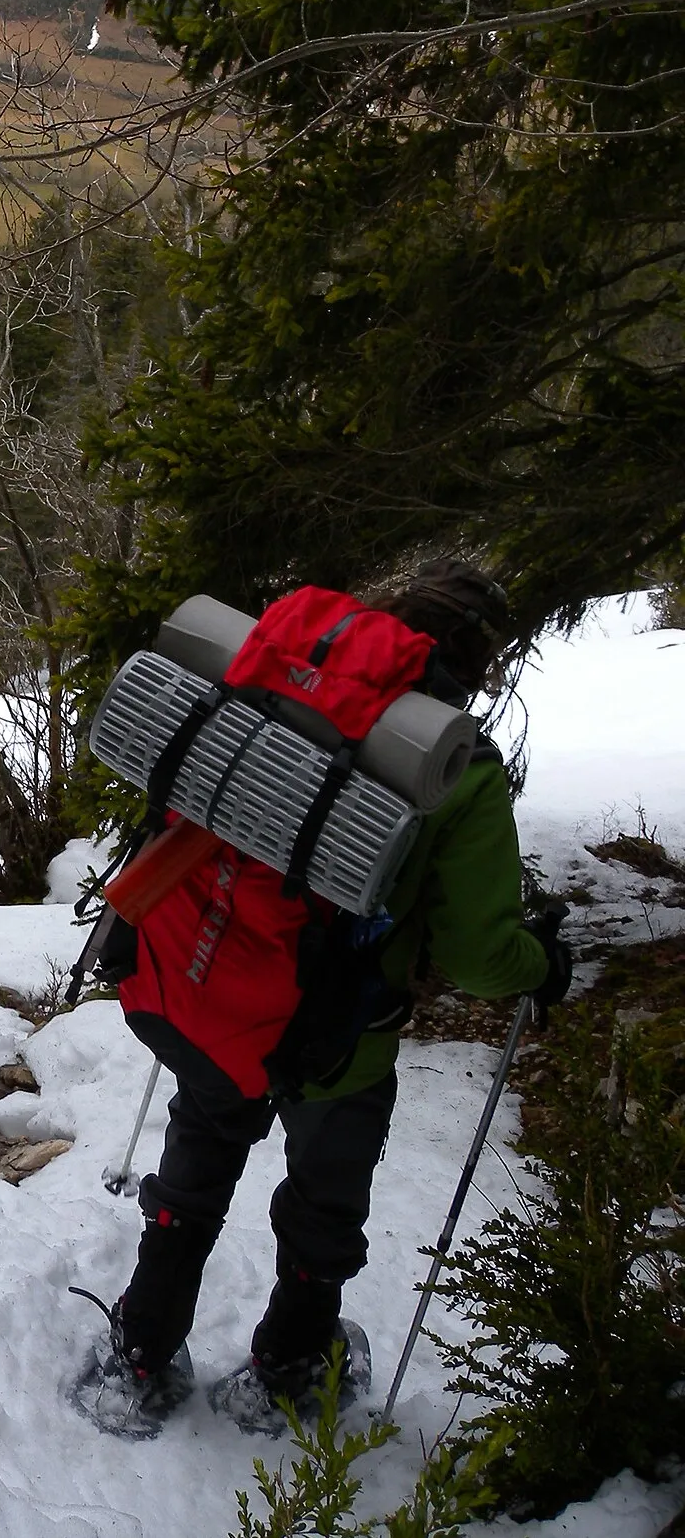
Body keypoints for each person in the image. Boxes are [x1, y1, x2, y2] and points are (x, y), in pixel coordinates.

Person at [71, 561, 574, 1439]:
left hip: (216, 986)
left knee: (197, 1159)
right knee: (323, 1201)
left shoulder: (264, 676)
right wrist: (542, 966)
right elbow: (477, 952)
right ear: (477, 662)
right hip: (336, 1035)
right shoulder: (457, 767)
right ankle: (289, 1369)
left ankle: (139, 1354)